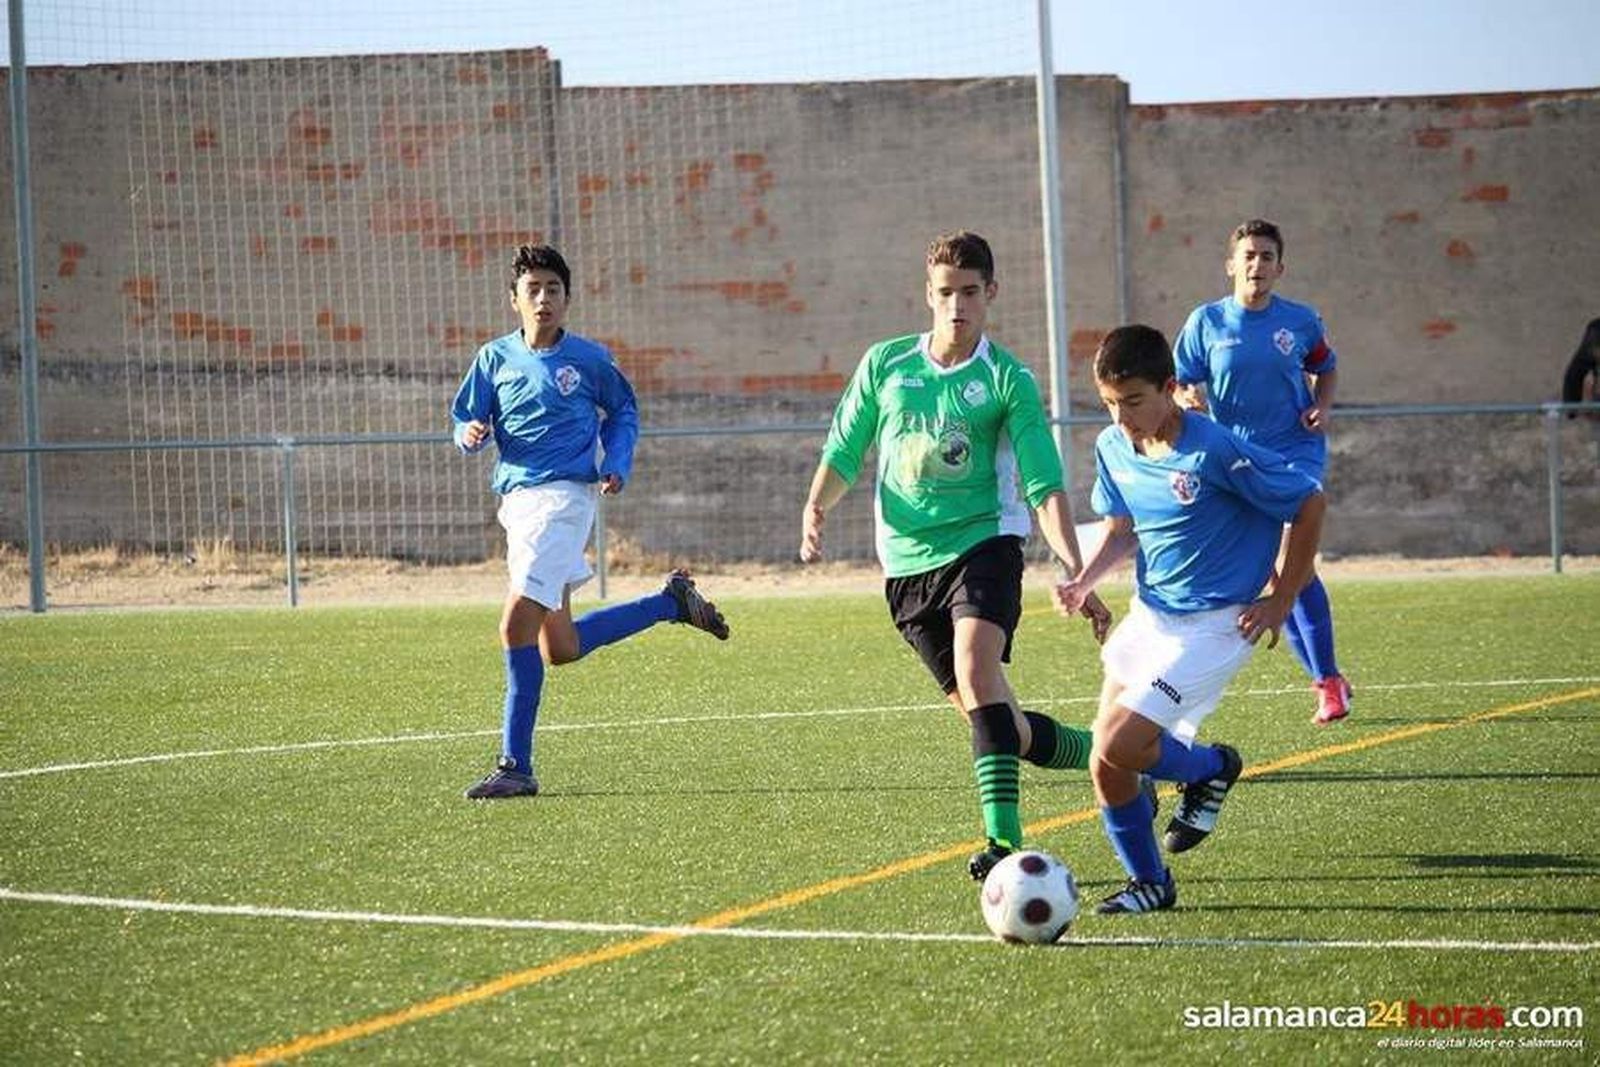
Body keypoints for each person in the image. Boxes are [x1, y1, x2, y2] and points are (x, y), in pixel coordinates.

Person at [799, 230, 1111, 882]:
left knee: (977, 670)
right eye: (946, 292)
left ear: (990, 293)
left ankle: (1006, 845)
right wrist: (816, 505)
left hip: (985, 544)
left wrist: (1075, 567)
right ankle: (1113, 751)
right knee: (999, 721)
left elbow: (1042, 482)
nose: (957, 305)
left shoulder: (1006, 378)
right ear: (929, 295)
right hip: (907, 567)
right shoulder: (886, 364)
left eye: (970, 292)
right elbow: (845, 447)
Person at [1053, 324, 1326, 914]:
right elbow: (1123, 530)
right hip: (1151, 618)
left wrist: (1282, 598)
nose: (1121, 418)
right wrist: (1084, 581)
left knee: (1119, 741)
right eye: (1108, 404)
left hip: (1218, 625)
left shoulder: (1215, 449)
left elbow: (1308, 501)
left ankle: (1211, 768)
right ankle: (1151, 883)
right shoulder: (1113, 448)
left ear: (1171, 388)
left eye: (1133, 402)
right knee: (1107, 764)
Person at [451, 244, 729, 800]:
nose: (544, 298)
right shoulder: (494, 359)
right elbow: (465, 416)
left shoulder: (589, 360)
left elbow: (623, 411)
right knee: (562, 647)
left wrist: (616, 461)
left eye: (553, 289)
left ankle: (515, 765)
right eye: (533, 289)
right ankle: (669, 602)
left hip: (563, 501)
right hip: (519, 506)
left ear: (567, 299)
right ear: (514, 300)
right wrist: (469, 434)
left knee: (513, 628)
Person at [1172, 218, 1351, 725]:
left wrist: (1324, 405)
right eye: (1248, 256)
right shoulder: (1205, 323)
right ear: (1231, 265)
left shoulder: (1299, 321)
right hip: (1238, 458)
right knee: (1275, 573)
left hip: (1296, 450)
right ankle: (1325, 674)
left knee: (1297, 558)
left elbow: (1327, 365)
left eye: (1266, 257)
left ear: (1280, 267)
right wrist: (1190, 398)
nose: (1257, 265)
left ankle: (1328, 683)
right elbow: (1182, 381)